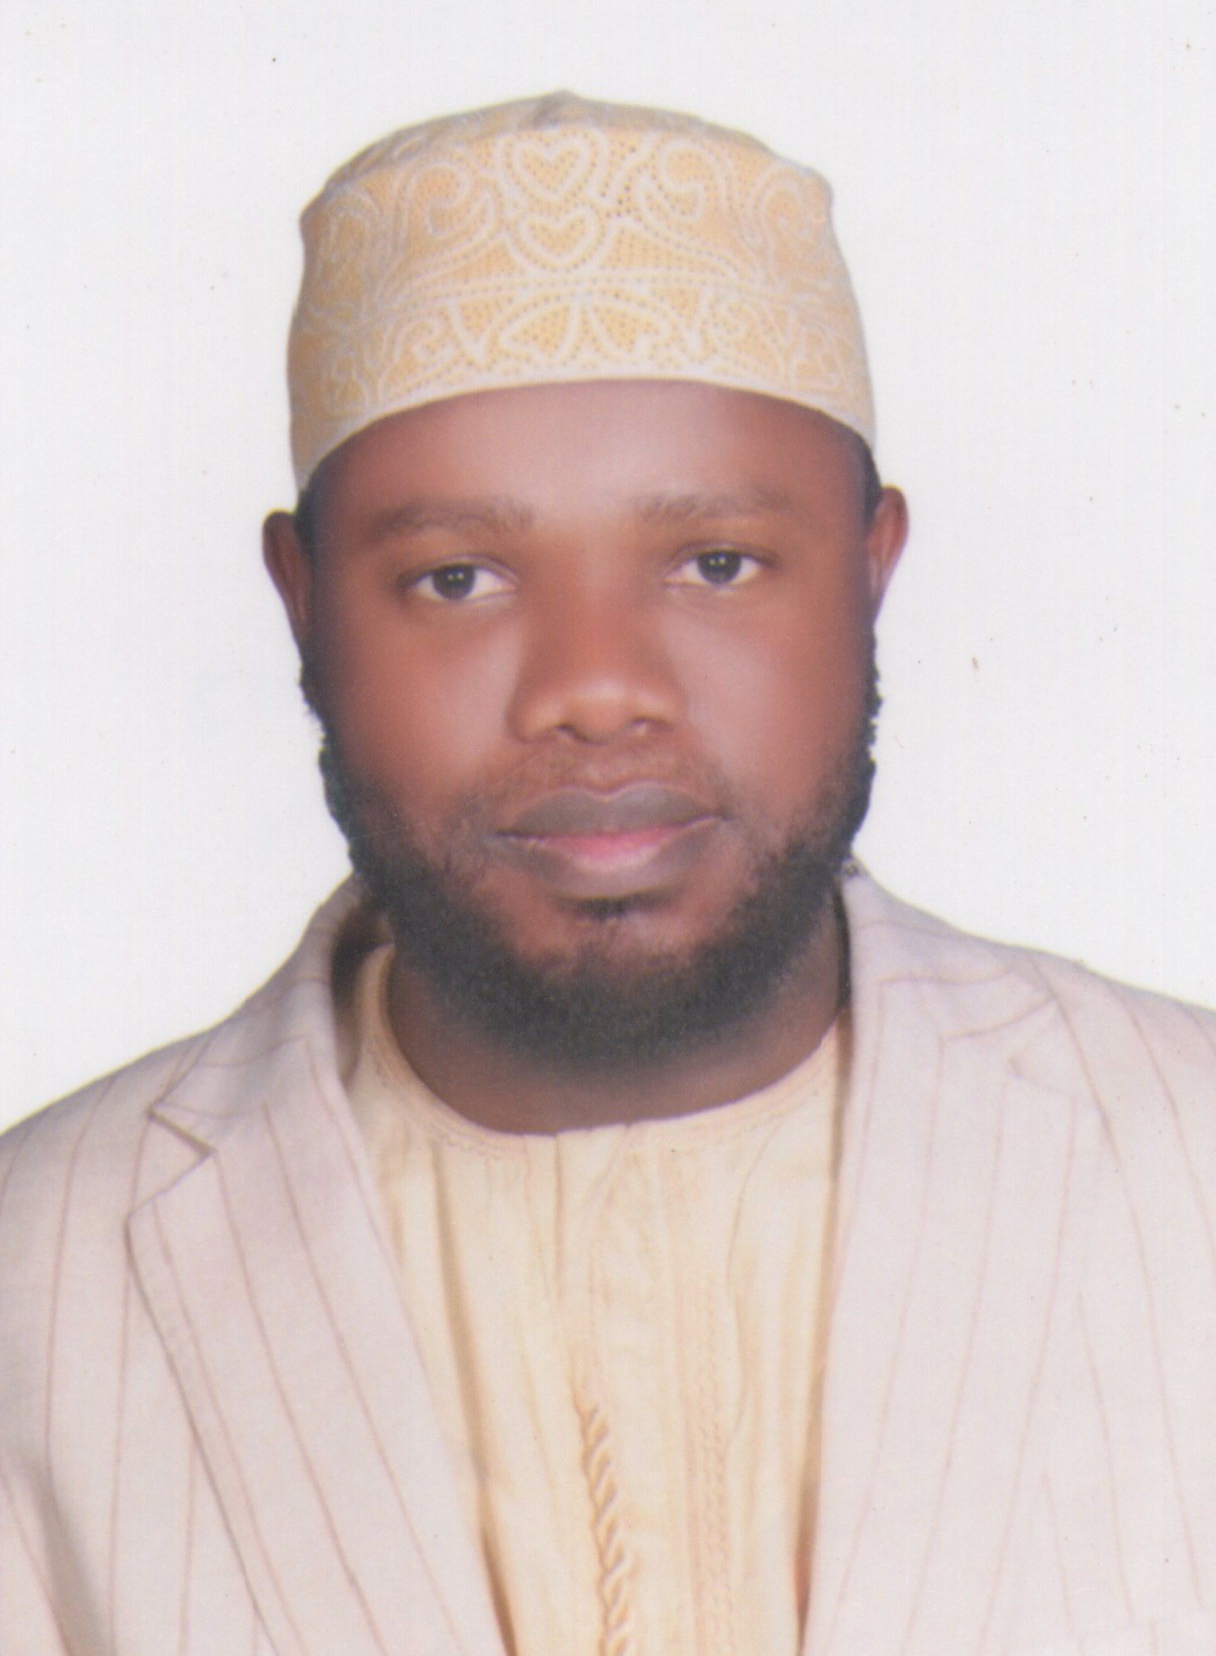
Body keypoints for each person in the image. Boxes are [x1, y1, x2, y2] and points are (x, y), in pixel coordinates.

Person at [2, 90, 1214, 1656]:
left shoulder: (1187, 1165)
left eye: (716, 563)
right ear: (303, 605)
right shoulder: (38, 1278)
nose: (595, 687)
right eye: (458, 578)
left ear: (871, 571)